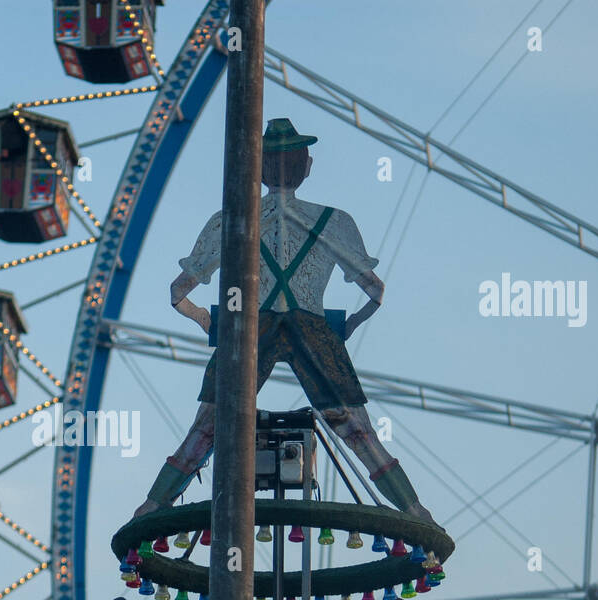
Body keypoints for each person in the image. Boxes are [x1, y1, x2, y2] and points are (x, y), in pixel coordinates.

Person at [134, 118, 436, 525]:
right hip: (313, 328)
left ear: (255, 169)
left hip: (247, 329)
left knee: (206, 429)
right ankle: (416, 511)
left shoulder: (229, 219)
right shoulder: (334, 221)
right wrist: (346, 328)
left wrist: (208, 321)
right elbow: (375, 293)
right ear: (307, 166)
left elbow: (177, 294)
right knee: (359, 432)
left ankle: (152, 507)